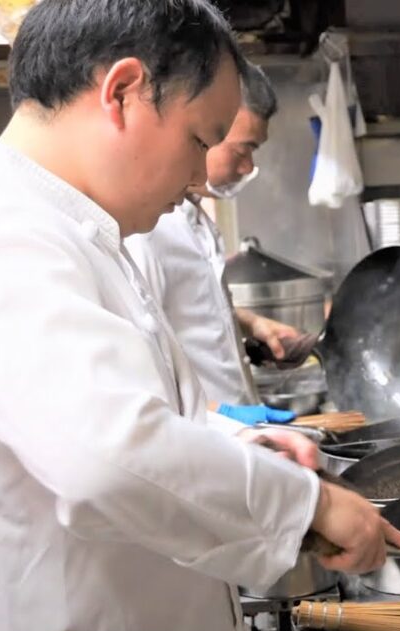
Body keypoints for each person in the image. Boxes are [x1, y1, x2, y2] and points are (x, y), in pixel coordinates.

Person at [0, 2, 400, 631]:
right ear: (124, 92)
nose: (199, 179)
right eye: (200, 139)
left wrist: (242, 447)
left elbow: (136, 417)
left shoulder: (83, 233)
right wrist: (306, 506)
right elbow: (107, 457)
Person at [125, 61, 298, 422]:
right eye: (241, 149)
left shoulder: (195, 217)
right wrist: (223, 415)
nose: (248, 167)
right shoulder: (149, 229)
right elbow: (142, 362)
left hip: (235, 436)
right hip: (205, 435)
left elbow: (191, 309)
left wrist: (251, 324)